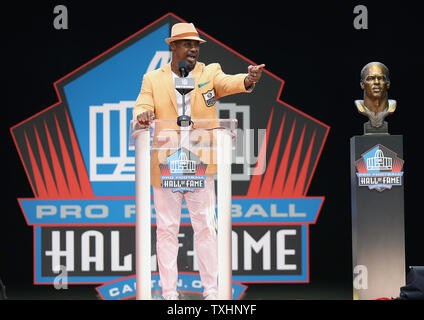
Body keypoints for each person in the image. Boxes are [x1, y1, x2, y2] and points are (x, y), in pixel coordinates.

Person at [133, 22, 264, 300]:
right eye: (187, 44)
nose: (193, 49)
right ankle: (168, 293)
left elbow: (229, 82)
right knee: (166, 230)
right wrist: (143, 114)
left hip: (200, 164)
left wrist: (248, 79)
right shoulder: (153, 79)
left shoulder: (209, 72)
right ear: (172, 46)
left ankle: (211, 291)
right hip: (166, 164)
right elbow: (143, 104)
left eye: (196, 45)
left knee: (205, 226)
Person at [355, 62, 396, 128]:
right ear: (362, 84)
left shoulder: (392, 107)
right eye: (371, 78)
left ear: (388, 84)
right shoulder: (360, 107)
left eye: (380, 78)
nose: (376, 82)